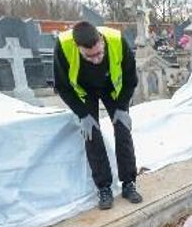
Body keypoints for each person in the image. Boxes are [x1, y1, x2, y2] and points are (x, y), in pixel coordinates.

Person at [53, 21, 142, 210]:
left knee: (123, 130)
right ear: (78, 48)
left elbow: (130, 78)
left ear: (101, 41)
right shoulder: (63, 46)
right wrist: (83, 114)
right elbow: (62, 86)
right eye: (89, 56)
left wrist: (121, 106)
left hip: (112, 89)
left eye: (99, 53)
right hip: (84, 92)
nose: (96, 60)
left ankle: (129, 183)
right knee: (92, 135)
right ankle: (104, 188)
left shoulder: (117, 41)